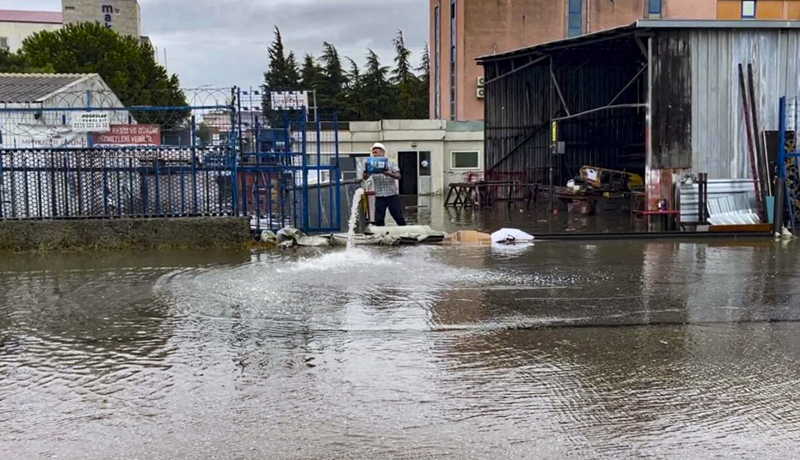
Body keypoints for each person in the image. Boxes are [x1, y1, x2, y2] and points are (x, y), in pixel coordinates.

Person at [362, 142, 406, 226]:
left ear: (382, 152)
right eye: (373, 153)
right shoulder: (371, 165)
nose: (374, 154)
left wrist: (389, 174)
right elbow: (365, 177)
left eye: (376, 152)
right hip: (379, 196)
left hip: (392, 195)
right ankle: (380, 234)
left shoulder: (390, 163)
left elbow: (398, 176)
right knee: (379, 218)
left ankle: (405, 231)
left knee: (398, 216)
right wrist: (366, 170)